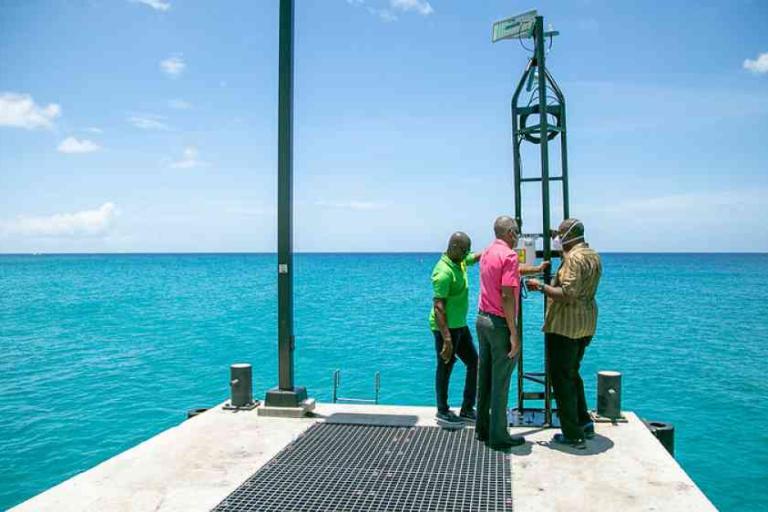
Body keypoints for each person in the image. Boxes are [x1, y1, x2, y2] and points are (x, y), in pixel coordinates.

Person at [527, 218, 602, 449]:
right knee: (572, 372)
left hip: (565, 326)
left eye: (559, 235)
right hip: (586, 323)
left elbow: (567, 293)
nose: (557, 239)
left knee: (560, 378)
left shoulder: (574, 259)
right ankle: (584, 422)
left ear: (569, 236)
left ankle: (572, 433)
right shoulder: (592, 255)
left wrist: (540, 286)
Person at [476, 216, 548, 449]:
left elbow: (513, 271)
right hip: (499, 324)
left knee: (485, 377)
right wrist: (514, 333)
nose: (518, 235)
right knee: (501, 381)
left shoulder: (487, 252)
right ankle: (499, 436)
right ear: (508, 232)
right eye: (516, 231)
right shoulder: (508, 256)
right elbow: (507, 295)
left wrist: (536, 269)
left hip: (482, 320)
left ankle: (483, 429)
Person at [429, 231, 483, 424]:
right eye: (464, 250)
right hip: (445, 329)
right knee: (445, 366)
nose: (467, 253)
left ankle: (467, 408)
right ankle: (442, 410)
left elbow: (474, 258)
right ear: (453, 248)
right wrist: (447, 339)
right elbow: (438, 307)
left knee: (474, 362)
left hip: (460, 325)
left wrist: (493, 250)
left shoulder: (459, 260)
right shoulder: (443, 272)